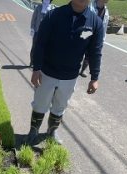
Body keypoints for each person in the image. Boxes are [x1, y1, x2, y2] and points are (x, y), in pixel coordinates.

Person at [27, 0, 104, 145]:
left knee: (60, 105)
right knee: (40, 103)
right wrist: (36, 69)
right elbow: (40, 43)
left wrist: (95, 77)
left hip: (70, 76)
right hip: (47, 72)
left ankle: (52, 131)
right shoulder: (54, 15)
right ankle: (33, 131)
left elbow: (95, 52)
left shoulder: (95, 23)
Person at [79, 0, 109, 77]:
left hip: (96, 35)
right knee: (78, 53)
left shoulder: (106, 11)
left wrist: (102, 39)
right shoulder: (89, 6)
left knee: (91, 54)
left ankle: (83, 69)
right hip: (85, 33)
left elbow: (104, 28)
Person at [29, 0, 56, 67]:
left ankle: (42, 62)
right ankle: (32, 61)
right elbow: (34, 18)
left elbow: (54, 21)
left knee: (45, 48)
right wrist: (32, 28)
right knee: (34, 47)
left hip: (47, 32)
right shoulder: (38, 7)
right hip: (37, 31)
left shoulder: (52, 8)